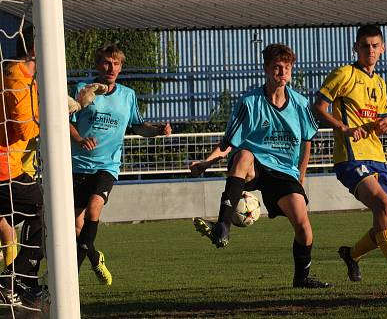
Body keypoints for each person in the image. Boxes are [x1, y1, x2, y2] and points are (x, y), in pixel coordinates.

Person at [193, 43, 330, 288]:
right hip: (255, 166)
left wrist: (301, 177)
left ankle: (302, 278)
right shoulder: (249, 103)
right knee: (243, 153)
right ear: (266, 68)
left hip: (284, 172)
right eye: (277, 67)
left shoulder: (300, 104)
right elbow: (228, 142)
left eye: (287, 68)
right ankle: (223, 225)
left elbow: (308, 141)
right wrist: (206, 162)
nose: (282, 72)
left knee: (303, 227)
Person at [313, 25, 387, 285]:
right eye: (365, 46)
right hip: (351, 158)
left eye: (375, 46)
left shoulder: (380, 83)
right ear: (356, 48)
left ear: (382, 48)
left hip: (377, 157)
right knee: (382, 205)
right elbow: (317, 105)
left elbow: (380, 117)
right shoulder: (344, 74)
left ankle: (351, 255)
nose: (370, 50)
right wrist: (342, 128)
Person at [70, 43, 172, 286]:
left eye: (116, 63)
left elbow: (137, 126)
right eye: (106, 62)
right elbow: (66, 120)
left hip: (107, 165)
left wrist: (157, 131)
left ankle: (69, 277)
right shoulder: (82, 90)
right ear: (97, 65)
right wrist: (80, 139)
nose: (111, 67)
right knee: (75, 228)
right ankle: (95, 256)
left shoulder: (128, 95)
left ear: (121, 67)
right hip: (77, 165)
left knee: (94, 207)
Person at [0, 26, 45, 306]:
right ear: (35, 48)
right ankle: (12, 279)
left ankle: (24, 283)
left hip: (10, 164)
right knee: (44, 210)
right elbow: (25, 129)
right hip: (4, 167)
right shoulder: (18, 78)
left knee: (9, 225)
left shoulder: (22, 76)